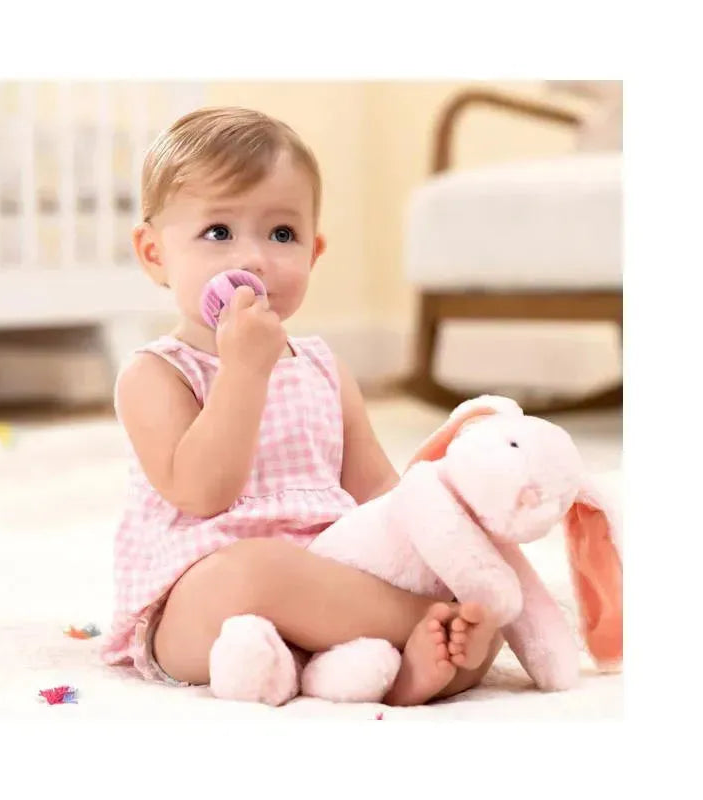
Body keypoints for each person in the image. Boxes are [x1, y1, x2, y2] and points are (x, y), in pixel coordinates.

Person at [100, 106, 503, 705]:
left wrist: (438, 539)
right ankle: (416, 622)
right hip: (199, 602)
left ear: (314, 252)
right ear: (154, 252)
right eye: (219, 232)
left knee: (471, 591)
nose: (254, 259)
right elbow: (203, 493)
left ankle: (396, 668)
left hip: (331, 580)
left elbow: (377, 490)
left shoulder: (321, 366)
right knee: (254, 571)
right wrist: (244, 371)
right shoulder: (156, 373)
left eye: (282, 234)